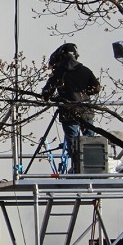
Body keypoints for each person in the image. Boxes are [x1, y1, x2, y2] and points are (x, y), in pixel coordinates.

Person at [41, 42, 101, 172]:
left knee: (74, 144)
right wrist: (84, 94)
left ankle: (77, 169)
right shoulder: (85, 70)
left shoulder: (60, 73)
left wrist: (56, 96)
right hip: (86, 111)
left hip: (68, 113)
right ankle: (92, 170)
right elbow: (96, 88)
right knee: (90, 142)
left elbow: (46, 93)